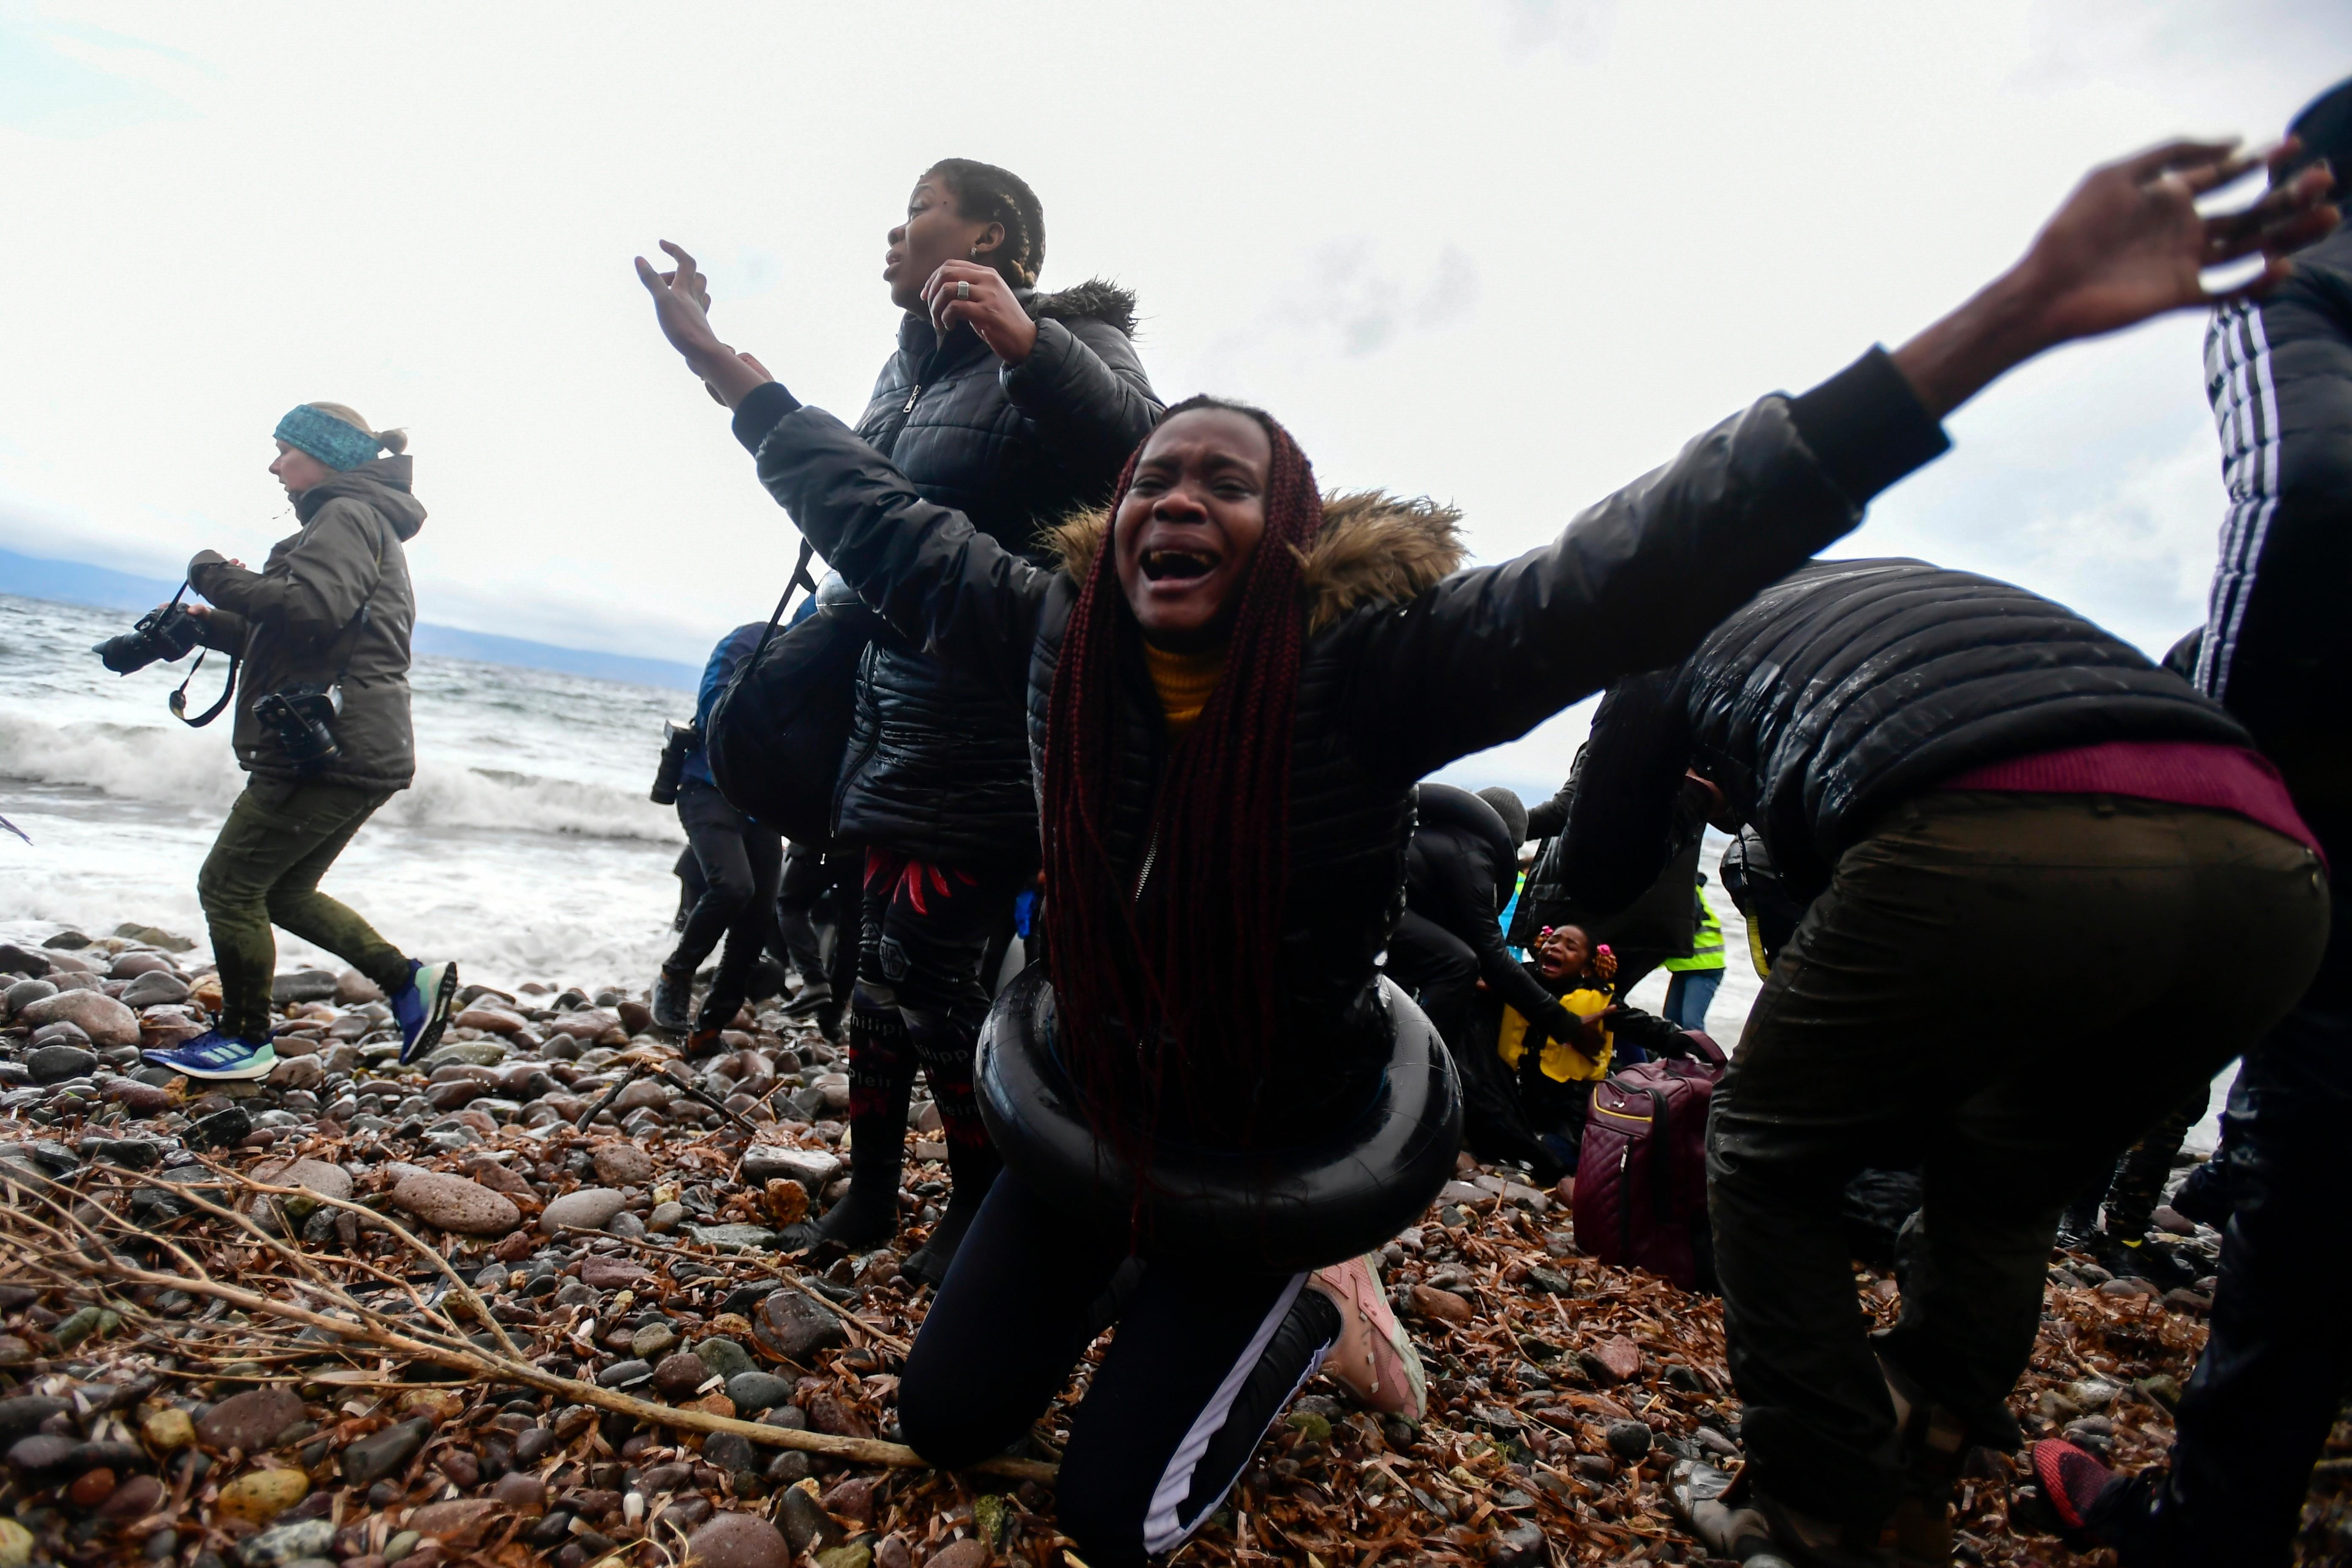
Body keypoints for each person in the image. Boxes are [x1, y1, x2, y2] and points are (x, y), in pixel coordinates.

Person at [637, 133, 2330, 1568]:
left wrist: (2016, 314)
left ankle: (1296, 1305)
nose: (1177, 499)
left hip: (1266, 1147)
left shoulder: (1383, 674)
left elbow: (1663, 549)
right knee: (940, 1422)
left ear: (1290, 538)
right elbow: (853, 493)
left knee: (1109, 1520)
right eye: (1155, 477)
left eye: (1227, 480)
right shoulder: (1039, 634)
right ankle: (1133, 1288)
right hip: (1090, 1099)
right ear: (1109, 524)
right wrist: (719, 356)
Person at [1557, 536, 2332, 1562]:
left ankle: (1817, 1500)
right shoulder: (1896, 591)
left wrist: (1671, 778)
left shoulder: (1673, 626)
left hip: (2005, 819)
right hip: (2275, 874)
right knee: (2008, 1172)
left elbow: (1601, 868)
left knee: (1764, 1146)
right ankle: (1925, 1433)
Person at [733, 160, 1165, 1287]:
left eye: (919, 209)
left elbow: (1151, 460)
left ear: (994, 231)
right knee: (873, 968)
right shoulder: (904, 370)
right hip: (890, 716)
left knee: (926, 972)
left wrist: (1036, 350)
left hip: (995, 723)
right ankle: (874, 1194)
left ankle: (982, 1207)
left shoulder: (1078, 338)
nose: (894, 229)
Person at [2028, 86, 2352, 1568]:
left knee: (2312, 1151)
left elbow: (2303, 491)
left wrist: (2217, 776)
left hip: (2331, 819)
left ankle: (2211, 1528)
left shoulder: (2298, 289)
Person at [142, 402, 458, 1081]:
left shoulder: (345, 515)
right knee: (283, 892)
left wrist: (211, 574)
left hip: (324, 749)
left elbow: (312, 610)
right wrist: (210, 623)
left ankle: (245, 1040)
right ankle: (407, 983)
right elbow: (309, 627)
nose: (275, 465)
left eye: (285, 450)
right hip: (358, 745)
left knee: (227, 887)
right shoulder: (361, 521)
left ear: (326, 459)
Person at [1386, 781, 1596, 1175]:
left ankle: (1394, 1053)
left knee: (1447, 962)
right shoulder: (1473, 857)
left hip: (1364, 909)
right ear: (1509, 840)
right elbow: (1492, 958)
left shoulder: (1436, 838)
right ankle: (1423, 1081)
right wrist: (1565, 1024)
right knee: (1458, 964)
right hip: (1371, 912)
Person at [653, 622, 787, 1049]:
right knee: (733, 887)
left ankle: (709, 1029)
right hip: (706, 787)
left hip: (761, 803)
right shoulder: (749, 640)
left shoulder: (830, 667)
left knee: (757, 918)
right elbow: (715, 712)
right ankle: (676, 973)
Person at [1493, 923, 1699, 1172]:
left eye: (1571, 948)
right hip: (1514, 1096)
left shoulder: (1600, 1001)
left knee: (1555, 1158)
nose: (1557, 947)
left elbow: (1645, 1027)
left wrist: (1691, 1043)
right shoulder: (1517, 981)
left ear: (1587, 968)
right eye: (1553, 941)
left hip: (1568, 1108)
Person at [1660, 873, 1726, 1032]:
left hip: (1705, 968)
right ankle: (1676, 1056)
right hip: (1685, 967)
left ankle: (1703, 1057)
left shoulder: (1686, 892)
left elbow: (1682, 929)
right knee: (1671, 1021)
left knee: (1691, 1024)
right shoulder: (1680, 889)